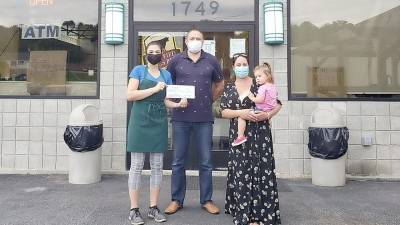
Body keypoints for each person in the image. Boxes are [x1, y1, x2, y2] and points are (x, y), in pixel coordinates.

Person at [164, 29, 225, 215]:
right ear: (186, 41)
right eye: (192, 38)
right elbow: (168, 83)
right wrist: (175, 101)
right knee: (177, 162)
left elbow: (220, 83)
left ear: (203, 41)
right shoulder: (176, 60)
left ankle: (206, 200)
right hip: (181, 119)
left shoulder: (212, 60)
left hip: (204, 119)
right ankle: (176, 200)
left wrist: (209, 100)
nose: (195, 41)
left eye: (198, 38)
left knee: (206, 162)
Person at [126, 41, 188, 225]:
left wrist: (178, 104)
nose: (154, 54)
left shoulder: (166, 74)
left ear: (162, 54)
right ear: (146, 54)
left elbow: (166, 100)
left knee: (157, 166)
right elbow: (130, 95)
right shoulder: (138, 70)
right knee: (136, 165)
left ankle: (153, 208)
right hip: (139, 121)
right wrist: (154, 88)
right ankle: (134, 210)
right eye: (151, 51)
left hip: (159, 121)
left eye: (157, 52)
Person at [220, 53, 282, 225]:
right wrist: (241, 113)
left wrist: (267, 114)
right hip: (240, 137)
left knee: (262, 171)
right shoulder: (229, 87)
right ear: (233, 67)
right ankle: (242, 211)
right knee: (241, 171)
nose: (242, 67)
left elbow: (278, 104)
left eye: (244, 63)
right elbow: (223, 112)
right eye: (238, 64)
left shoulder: (260, 82)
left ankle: (259, 214)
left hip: (260, 135)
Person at [232, 62, 278, 146]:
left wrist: (252, 97)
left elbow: (260, 100)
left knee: (241, 116)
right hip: (269, 109)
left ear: (267, 76)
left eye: (259, 76)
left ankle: (240, 136)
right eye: (256, 77)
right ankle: (269, 121)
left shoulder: (262, 88)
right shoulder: (272, 86)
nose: (257, 79)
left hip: (261, 109)